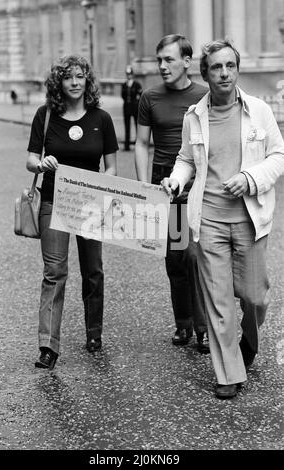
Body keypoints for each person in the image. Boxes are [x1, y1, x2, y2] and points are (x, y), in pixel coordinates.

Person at [162, 38, 284, 399]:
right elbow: (186, 159)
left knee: (254, 296)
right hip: (209, 218)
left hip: (250, 218)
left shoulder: (258, 110)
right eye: (217, 67)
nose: (225, 73)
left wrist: (250, 179)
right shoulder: (195, 116)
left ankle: (248, 338)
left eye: (230, 65)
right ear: (206, 73)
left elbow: (278, 156)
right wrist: (176, 179)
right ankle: (228, 372)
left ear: (237, 68)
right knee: (218, 298)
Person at [26, 55, 118, 369]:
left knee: (93, 269)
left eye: (80, 77)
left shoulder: (101, 119)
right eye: (68, 78)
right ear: (59, 83)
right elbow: (30, 160)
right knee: (54, 273)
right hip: (54, 202)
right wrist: (42, 163)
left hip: (91, 205)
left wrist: (106, 185)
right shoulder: (46, 115)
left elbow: (112, 166)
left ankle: (94, 333)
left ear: (87, 81)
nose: (75, 83)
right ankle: (48, 346)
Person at [135, 34, 209, 353]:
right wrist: (143, 190)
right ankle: (184, 323)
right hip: (168, 193)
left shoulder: (205, 96)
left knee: (199, 258)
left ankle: (204, 328)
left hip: (201, 192)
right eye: (159, 60)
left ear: (187, 62)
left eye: (168, 59)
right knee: (176, 259)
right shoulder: (149, 98)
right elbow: (140, 144)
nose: (162, 66)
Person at [121, 65, 142, 151]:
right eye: (127, 74)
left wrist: (136, 101)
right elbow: (122, 95)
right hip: (126, 107)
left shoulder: (137, 84)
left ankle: (139, 145)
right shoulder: (124, 84)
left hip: (134, 107)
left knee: (137, 126)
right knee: (127, 126)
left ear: (132, 74)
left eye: (130, 74)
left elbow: (140, 94)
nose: (129, 75)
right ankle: (127, 146)